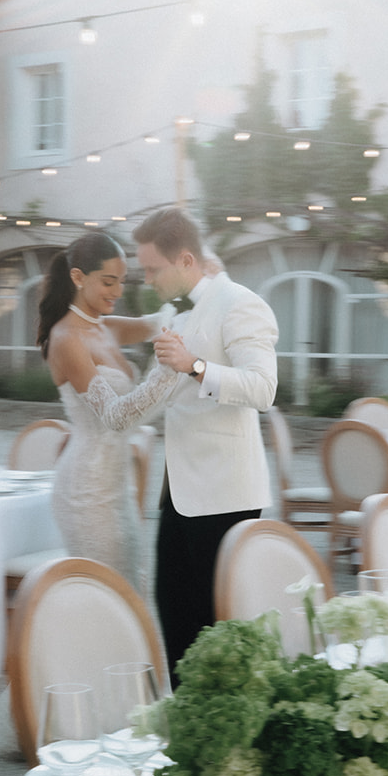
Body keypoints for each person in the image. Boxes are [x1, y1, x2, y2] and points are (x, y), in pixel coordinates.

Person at [133, 207, 278, 682]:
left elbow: (262, 389)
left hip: (225, 495)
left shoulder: (241, 303)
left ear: (186, 260)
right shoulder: (177, 313)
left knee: (217, 627)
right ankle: (188, 726)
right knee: (173, 615)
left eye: (154, 269)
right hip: (178, 491)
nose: (148, 278)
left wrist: (195, 366)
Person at [38, 231, 179, 586]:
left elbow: (162, 323)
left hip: (118, 484)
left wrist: (192, 290)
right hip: (86, 491)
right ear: (77, 277)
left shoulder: (105, 327)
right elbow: (116, 417)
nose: (117, 291)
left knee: (133, 585)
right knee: (106, 593)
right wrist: (165, 370)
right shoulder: (66, 338)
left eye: (122, 281)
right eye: (108, 281)